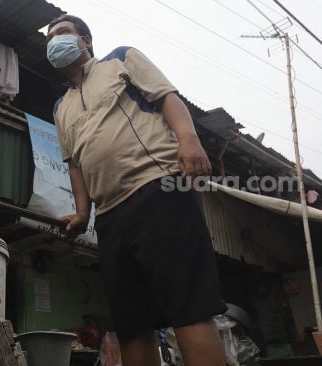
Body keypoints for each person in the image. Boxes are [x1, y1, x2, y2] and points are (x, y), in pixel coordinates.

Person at [46, 15, 227, 366]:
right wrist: (84, 213)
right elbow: (74, 164)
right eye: (50, 37)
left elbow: (166, 98)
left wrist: (188, 139)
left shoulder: (120, 58)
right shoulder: (60, 107)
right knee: (131, 325)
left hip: (158, 188)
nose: (54, 41)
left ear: (85, 41)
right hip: (111, 217)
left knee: (188, 307)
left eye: (63, 33)